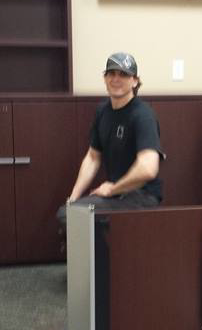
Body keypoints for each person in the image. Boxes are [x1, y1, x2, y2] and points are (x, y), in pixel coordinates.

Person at [58, 52, 163, 222]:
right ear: (104, 78)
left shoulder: (143, 115)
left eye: (123, 74)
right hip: (116, 194)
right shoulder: (103, 111)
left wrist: (113, 189)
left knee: (71, 217)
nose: (116, 79)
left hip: (142, 196)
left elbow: (148, 169)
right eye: (111, 74)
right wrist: (73, 198)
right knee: (69, 212)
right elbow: (93, 158)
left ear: (135, 81)